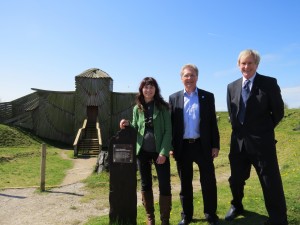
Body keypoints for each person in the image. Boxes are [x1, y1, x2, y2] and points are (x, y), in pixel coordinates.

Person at [225, 49, 288, 225]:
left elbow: (278, 112)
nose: (247, 66)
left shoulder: (268, 83)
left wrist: (263, 131)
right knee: (235, 180)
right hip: (238, 145)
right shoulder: (232, 87)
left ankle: (278, 219)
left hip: (262, 144)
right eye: (243, 63)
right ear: (238, 65)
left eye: (250, 63)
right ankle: (237, 205)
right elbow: (233, 114)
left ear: (256, 64)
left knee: (270, 183)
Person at [169, 64, 220, 225]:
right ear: (181, 78)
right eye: (186, 75)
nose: (189, 78)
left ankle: (210, 214)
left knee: (208, 182)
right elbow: (171, 125)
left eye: (192, 75)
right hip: (182, 147)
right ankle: (187, 216)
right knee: (185, 184)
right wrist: (171, 147)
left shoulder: (207, 96)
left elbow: (212, 123)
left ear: (197, 77)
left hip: (202, 146)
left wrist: (215, 145)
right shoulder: (174, 98)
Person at [120, 77, 172, 225]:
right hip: (142, 151)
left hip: (159, 151)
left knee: (164, 184)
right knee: (145, 184)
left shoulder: (163, 107)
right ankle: (150, 217)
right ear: (141, 90)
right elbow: (136, 127)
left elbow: (169, 131)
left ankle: (165, 219)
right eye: (145, 87)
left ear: (156, 90)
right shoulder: (137, 108)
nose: (148, 90)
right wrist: (127, 124)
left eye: (151, 87)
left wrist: (163, 152)